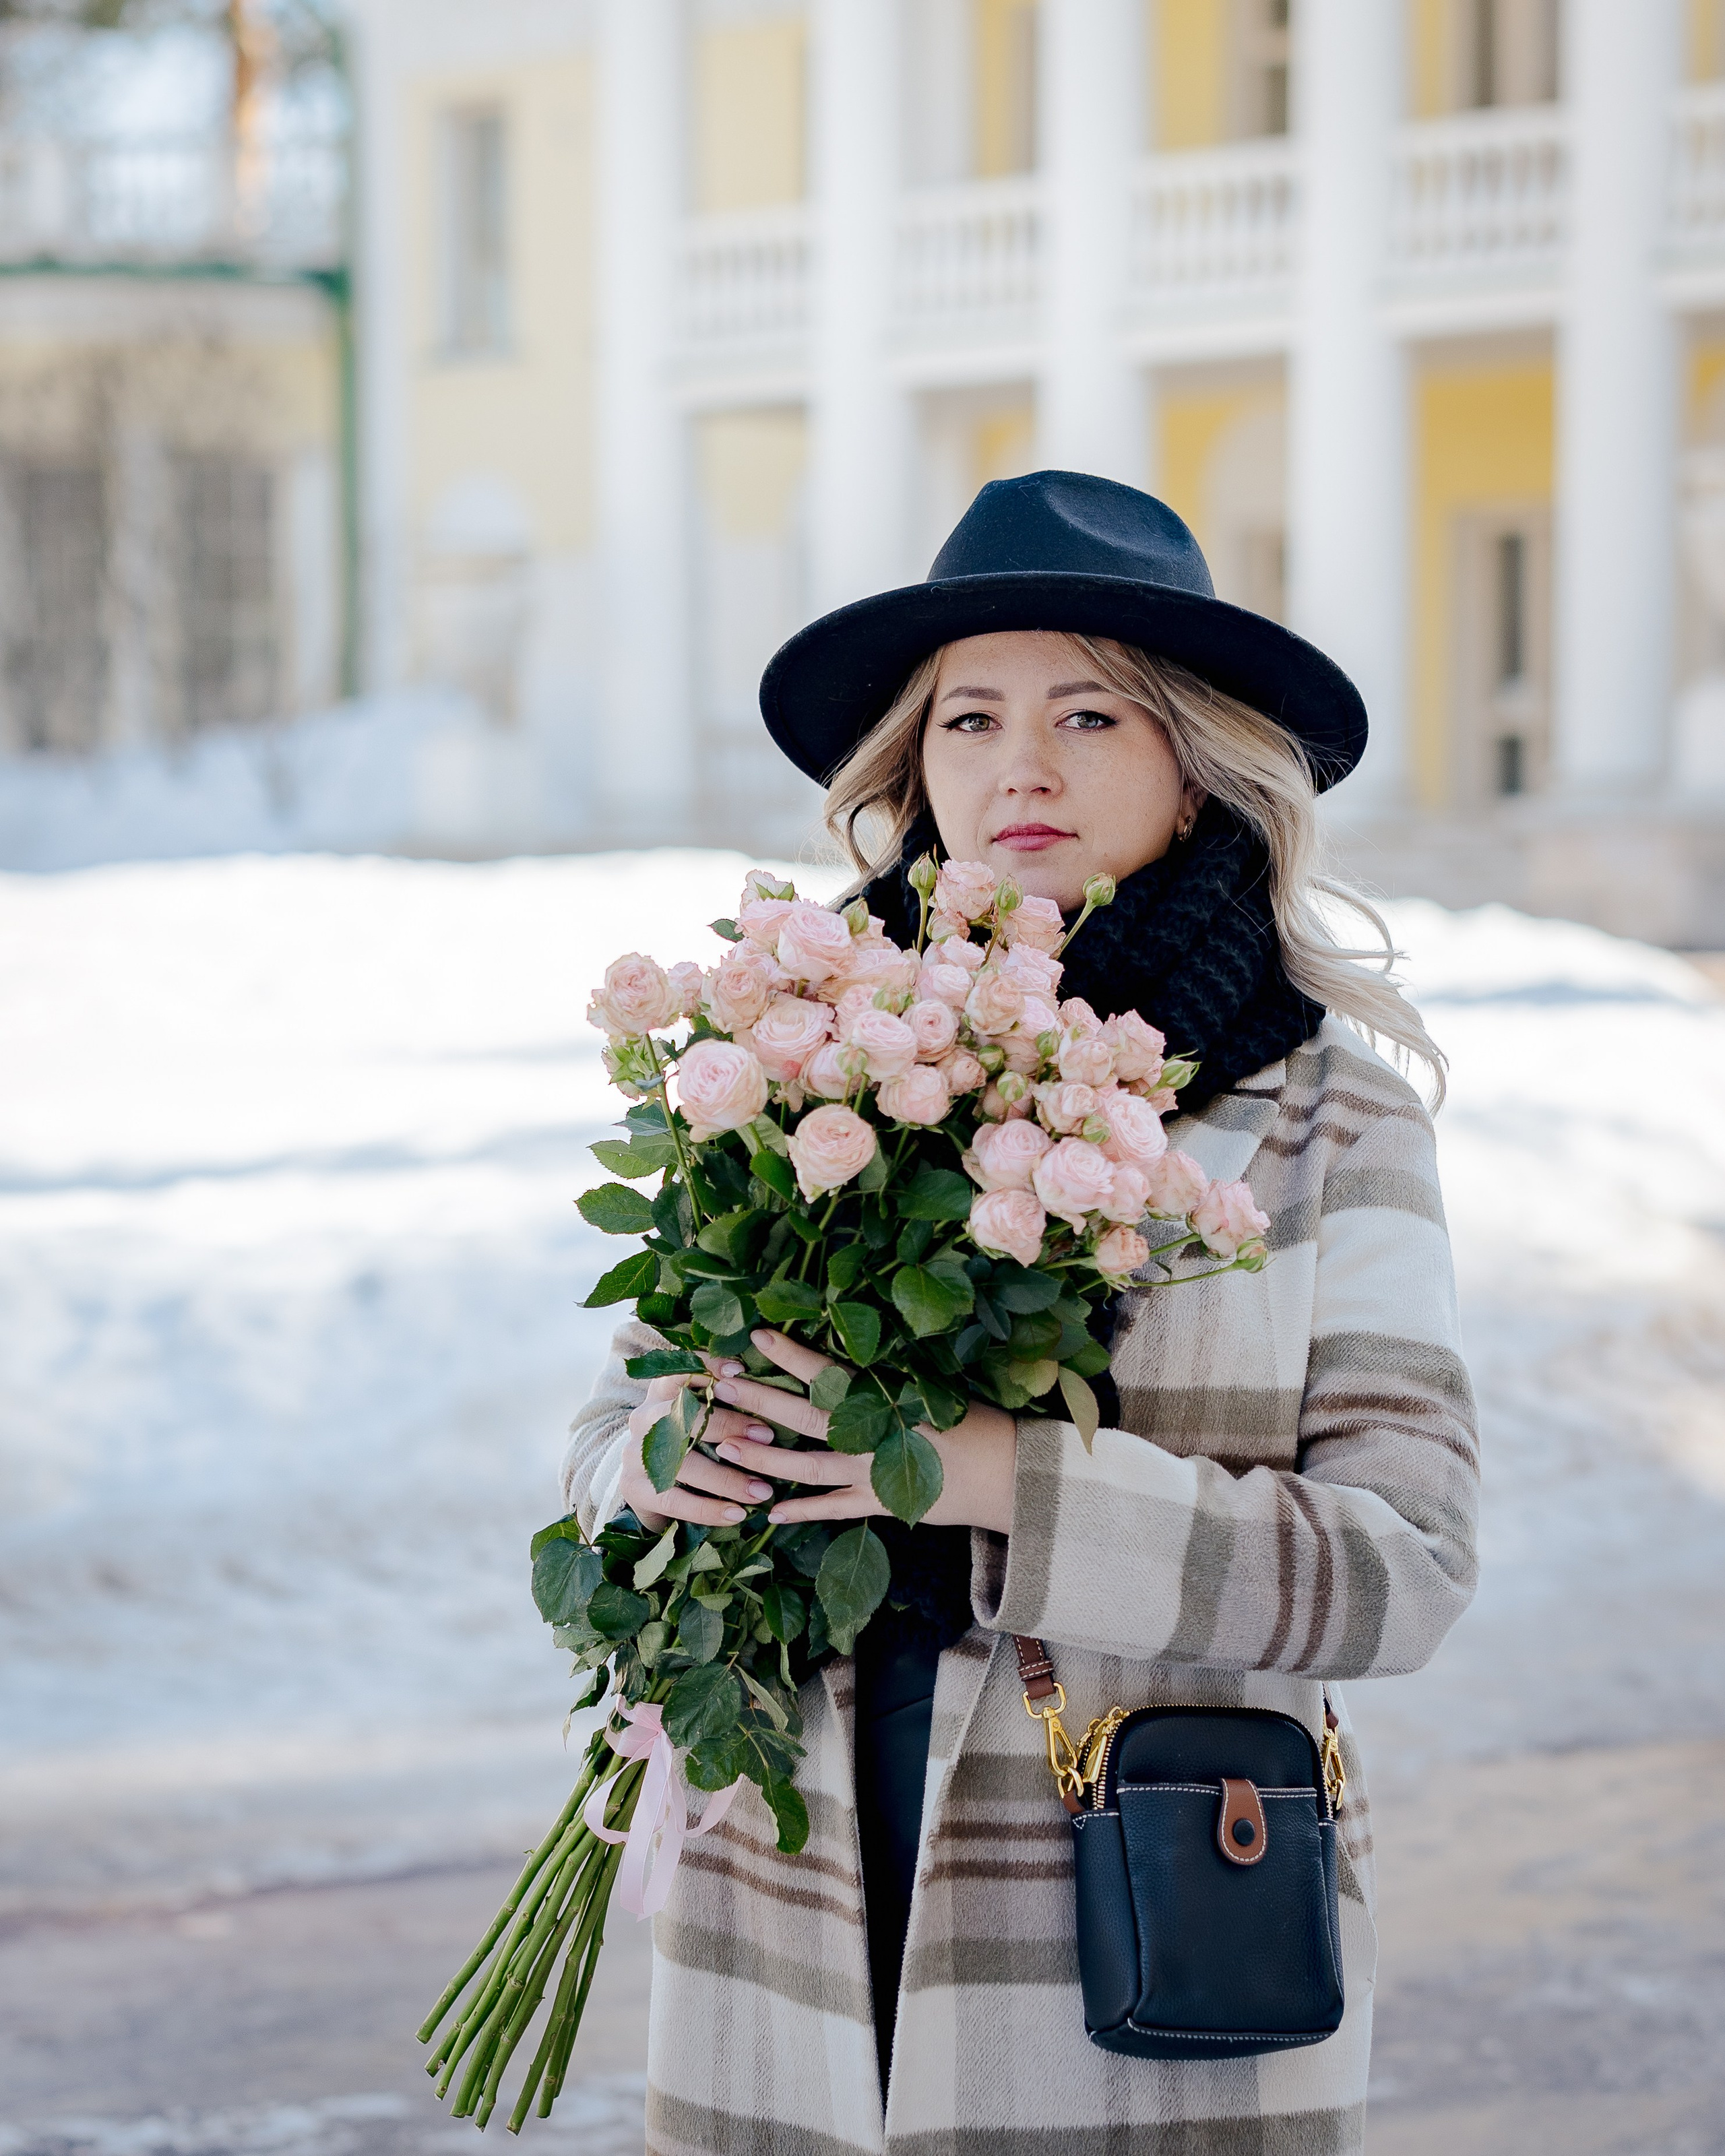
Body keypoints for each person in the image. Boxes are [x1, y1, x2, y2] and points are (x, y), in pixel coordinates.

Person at [563, 472, 1478, 2155]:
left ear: (1196, 757)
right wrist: (661, 1461)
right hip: (787, 1917)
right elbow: (602, 1449)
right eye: (968, 718)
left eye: (1089, 714)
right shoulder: (787, 1063)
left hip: (1144, 1937)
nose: (1019, 767)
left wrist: (998, 1476)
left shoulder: (1322, 1119)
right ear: (912, 767)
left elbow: (1403, 1564)